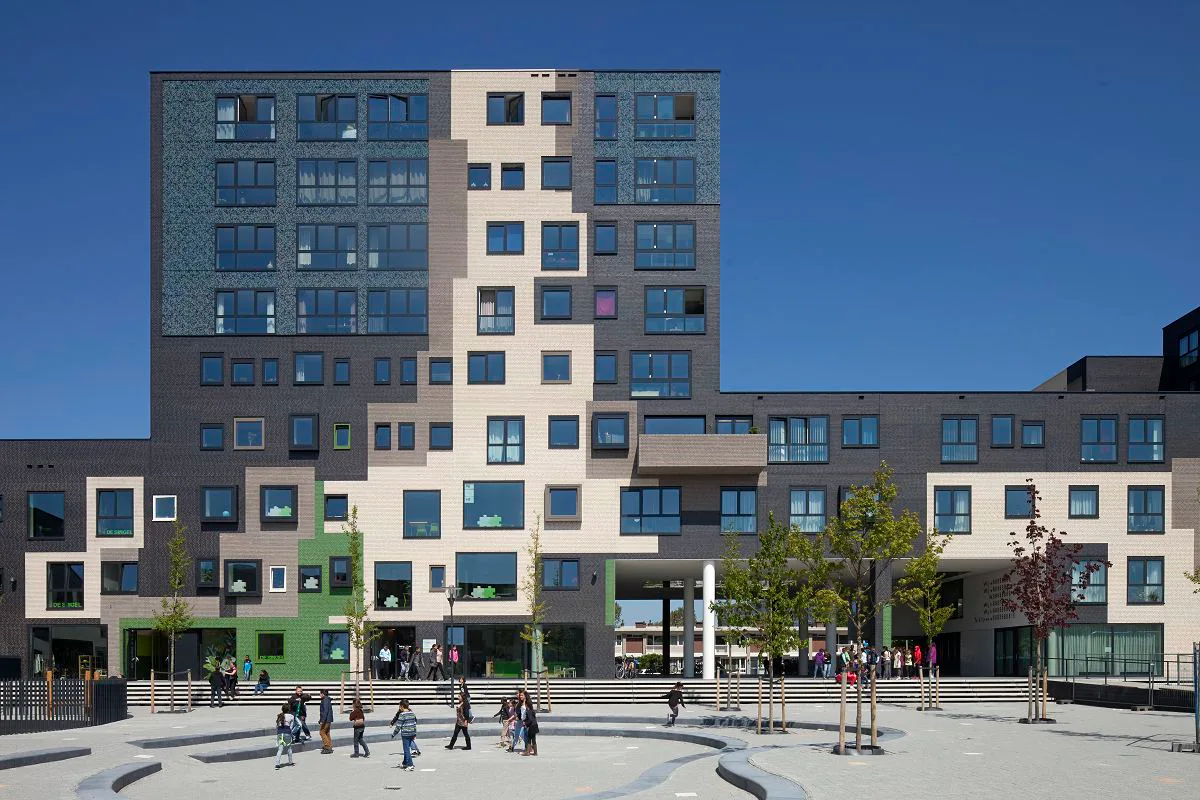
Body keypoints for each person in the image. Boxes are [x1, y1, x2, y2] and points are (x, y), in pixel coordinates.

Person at [391, 699, 418, 771]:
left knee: (406, 750)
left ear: (402, 706)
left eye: (399, 706)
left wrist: (394, 734)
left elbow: (398, 726)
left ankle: (410, 765)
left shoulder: (402, 715)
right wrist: (415, 734)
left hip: (405, 734)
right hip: (412, 733)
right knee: (407, 748)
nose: (399, 708)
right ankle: (405, 763)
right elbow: (414, 724)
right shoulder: (412, 713)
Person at [275, 702, 297, 770]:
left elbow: (277, 726)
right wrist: (292, 735)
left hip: (279, 733)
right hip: (287, 733)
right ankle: (290, 762)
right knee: (289, 748)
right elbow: (291, 727)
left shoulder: (279, 716)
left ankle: (277, 764)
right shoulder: (291, 716)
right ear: (289, 709)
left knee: (280, 749)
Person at [318, 688, 334, 754]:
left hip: (326, 720)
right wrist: (320, 720)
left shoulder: (325, 700)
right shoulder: (327, 699)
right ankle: (329, 746)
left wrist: (322, 720)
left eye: (320, 693)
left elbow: (325, 711)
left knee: (322, 732)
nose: (319, 695)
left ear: (322, 694)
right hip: (328, 719)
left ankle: (327, 747)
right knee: (327, 733)